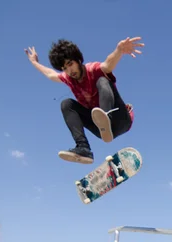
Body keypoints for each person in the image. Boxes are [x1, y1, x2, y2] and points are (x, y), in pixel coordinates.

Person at [24, 36, 144, 164]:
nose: (69, 71)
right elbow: (50, 74)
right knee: (66, 104)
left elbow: (108, 64)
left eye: (70, 64)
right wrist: (34, 62)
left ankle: (106, 118)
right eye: (65, 68)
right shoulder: (68, 79)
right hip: (101, 129)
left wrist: (119, 50)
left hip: (120, 119)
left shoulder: (93, 69)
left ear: (78, 60)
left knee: (102, 80)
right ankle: (83, 148)